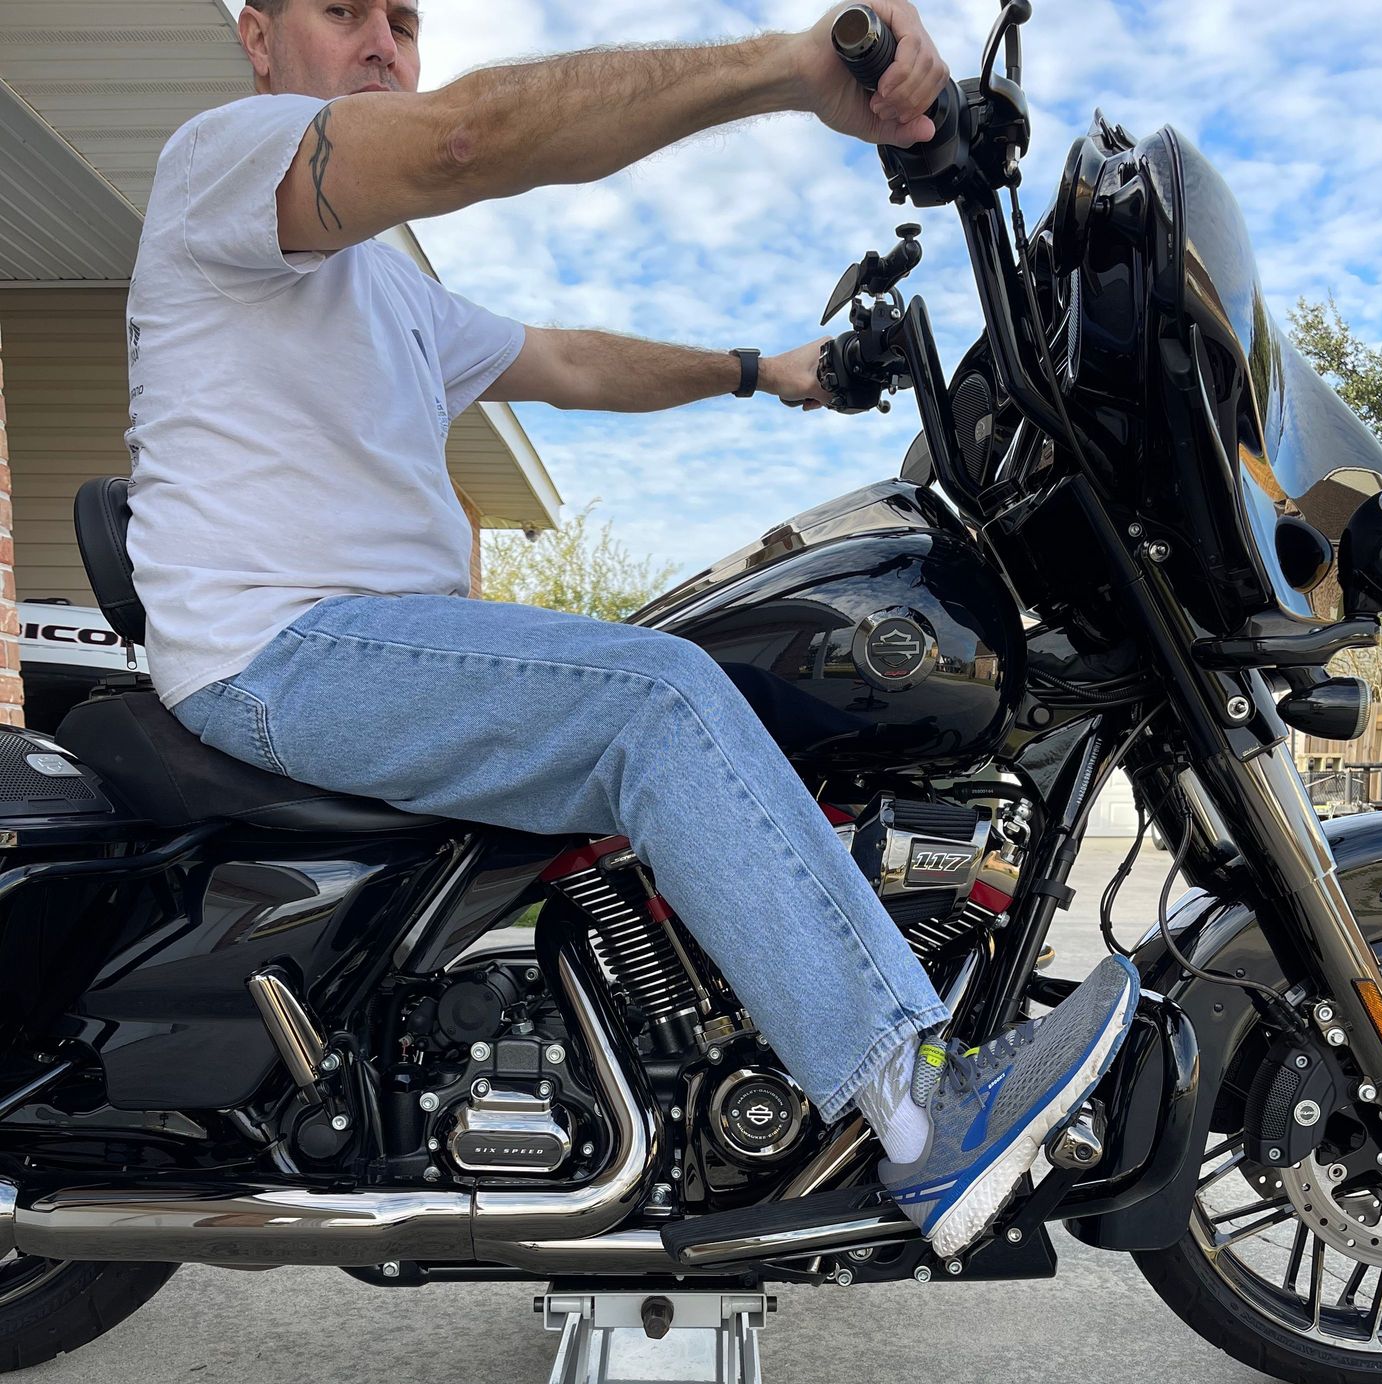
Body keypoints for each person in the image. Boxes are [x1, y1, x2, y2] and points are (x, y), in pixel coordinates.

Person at [125, 0, 1137, 1261]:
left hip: (361, 644)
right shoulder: (229, 159)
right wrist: (791, 67)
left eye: (405, 20)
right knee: (660, 699)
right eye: (342, 11)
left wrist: (766, 368)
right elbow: (466, 141)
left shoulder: (382, 283)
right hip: (279, 651)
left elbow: (572, 363)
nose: (383, 43)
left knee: (681, 680)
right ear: (257, 37)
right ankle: (922, 1114)